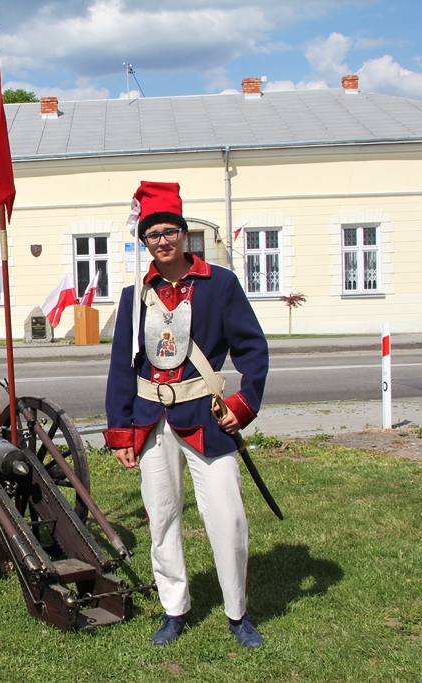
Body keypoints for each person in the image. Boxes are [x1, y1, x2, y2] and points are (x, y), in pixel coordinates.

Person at [104, 181, 269, 648]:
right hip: (152, 422)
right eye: (152, 233)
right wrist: (120, 432)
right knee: (162, 519)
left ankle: (237, 613)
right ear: (145, 241)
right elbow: (122, 366)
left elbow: (253, 350)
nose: (162, 240)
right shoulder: (134, 296)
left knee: (228, 518)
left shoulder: (221, 284)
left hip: (205, 420)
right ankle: (174, 610)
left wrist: (243, 403)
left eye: (169, 231)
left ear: (183, 233)